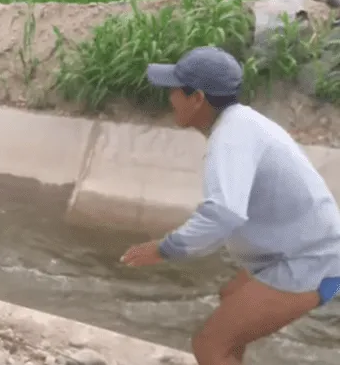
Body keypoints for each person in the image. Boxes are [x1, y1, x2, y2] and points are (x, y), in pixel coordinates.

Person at [120, 46, 340, 365]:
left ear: (197, 99)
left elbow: (223, 214)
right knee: (230, 300)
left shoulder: (231, 140)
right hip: (294, 252)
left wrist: (164, 248)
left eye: (175, 91)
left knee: (210, 345)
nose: (169, 99)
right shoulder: (241, 124)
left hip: (310, 261)